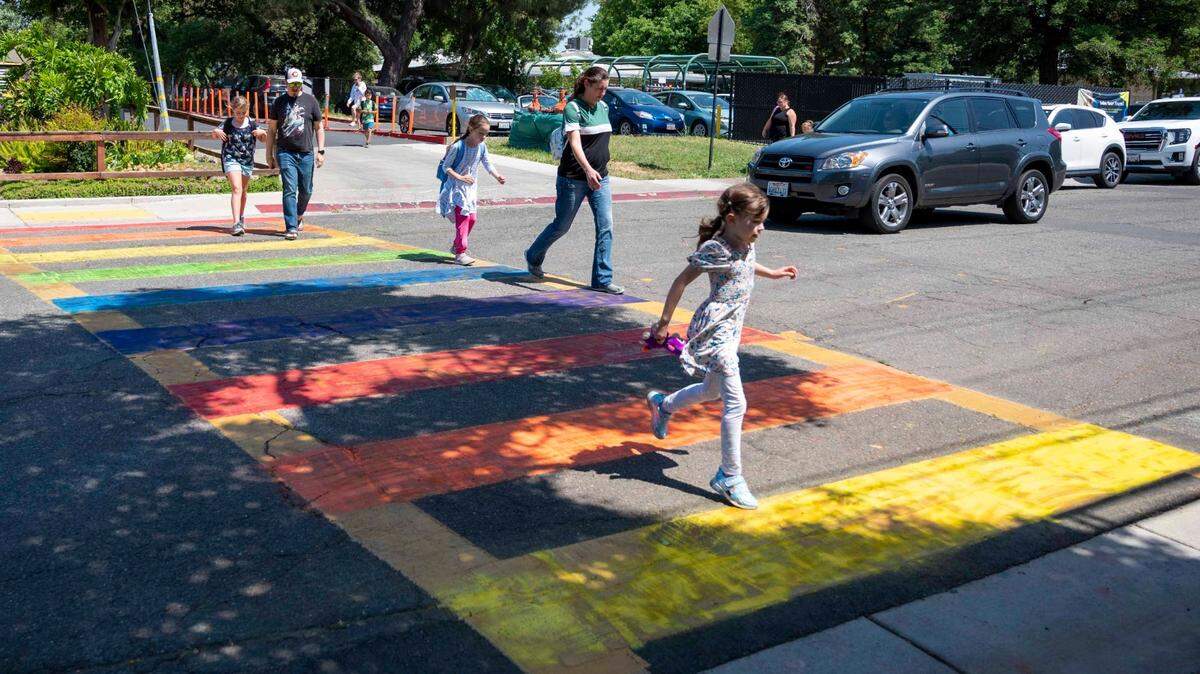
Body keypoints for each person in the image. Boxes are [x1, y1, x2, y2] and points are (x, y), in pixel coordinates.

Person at [645, 184, 798, 509]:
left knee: (712, 391)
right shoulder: (717, 249)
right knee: (736, 404)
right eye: (755, 222)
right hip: (716, 331)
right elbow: (681, 281)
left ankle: (663, 404)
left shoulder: (745, 241)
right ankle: (730, 476)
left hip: (732, 329)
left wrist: (771, 272)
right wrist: (663, 324)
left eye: (763, 222)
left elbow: (744, 264)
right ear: (731, 218)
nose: (761, 229)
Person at [524, 66, 623, 294]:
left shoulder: (604, 107)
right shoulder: (572, 108)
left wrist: (598, 168)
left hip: (601, 178)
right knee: (562, 226)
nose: (603, 93)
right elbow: (575, 142)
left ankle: (602, 279)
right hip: (573, 179)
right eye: (599, 88)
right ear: (587, 84)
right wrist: (588, 169)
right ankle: (533, 255)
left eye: (606, 89)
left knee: (606, 226)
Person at [437, 114, 507, 266]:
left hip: (470, 189)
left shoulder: (481, 147)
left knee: (472, 219)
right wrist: (460, 178)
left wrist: (497, 176)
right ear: (470, 129)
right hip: (455, 189)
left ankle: (456, 246)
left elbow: (487, 163)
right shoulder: (458, 146)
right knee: (463, 219)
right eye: (480, 133)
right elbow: (446, 167)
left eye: (486, 134)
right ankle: (460, 253)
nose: (483, 137)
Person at [266, 67, 325, 241]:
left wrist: (321, 150)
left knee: (306, 189)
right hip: (285, 152)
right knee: (289, 189)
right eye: (292, 84)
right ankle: (291, 227)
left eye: (298, 84)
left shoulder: (311, 101)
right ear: (286, 83)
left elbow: (319, 127)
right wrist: (269, 154)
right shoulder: (279, 103)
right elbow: (271, 130)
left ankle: (299, 214)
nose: (295, 87)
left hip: (306, 152)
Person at [211, 95, 268, 236]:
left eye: (243, 113)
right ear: (232, 110)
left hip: (247, 161)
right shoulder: (228, 123)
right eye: (238, 113)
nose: (240, 116)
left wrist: (263, 133)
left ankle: (241, 217)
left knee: (243, 190)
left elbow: (264, 140)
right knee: (236, 188)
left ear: (247, 110)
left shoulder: (252, 124)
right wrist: (216, 131)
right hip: (231, 158)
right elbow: (214, 135)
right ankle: (236, 223)